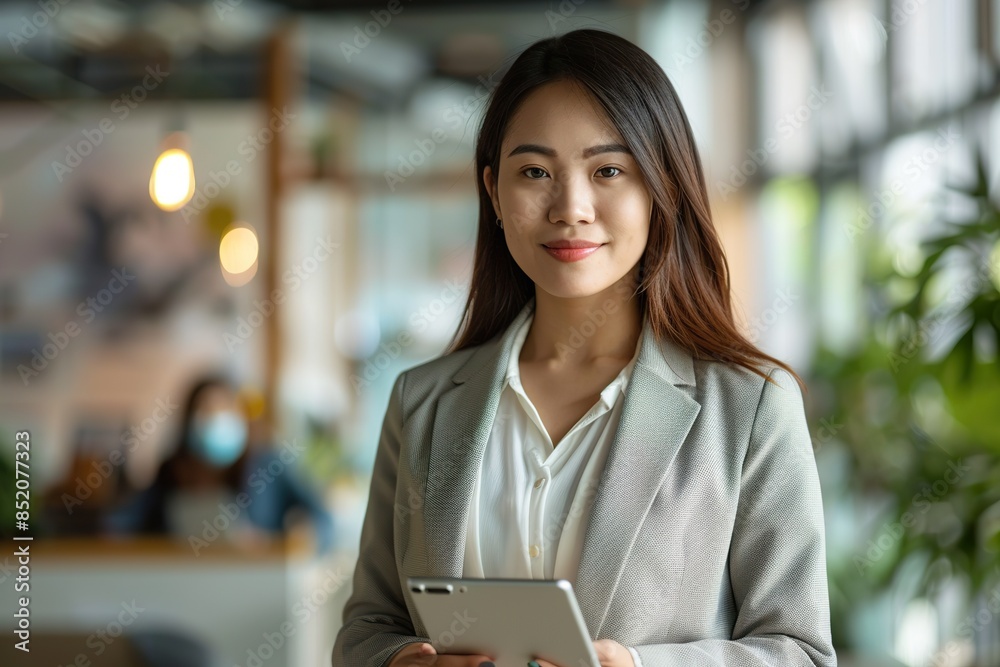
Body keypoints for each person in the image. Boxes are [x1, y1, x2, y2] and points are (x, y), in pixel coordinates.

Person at [332, 28, 835, 667]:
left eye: (608, 171)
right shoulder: (423, 401)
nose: (571, 207)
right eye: (535, 172)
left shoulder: (750, 407)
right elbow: (367, 629)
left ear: (661, 186)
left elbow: (801, 653)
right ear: (493, 190)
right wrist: (404, 661)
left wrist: (638, 666)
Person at [108, 374, 335, 555]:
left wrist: (302, 538)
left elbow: (324, 520)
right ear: (190, 423)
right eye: (206, 411)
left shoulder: (268, 465)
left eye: (225, 409)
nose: (216, 418)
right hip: (185, 586)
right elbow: (124, 524)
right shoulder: (173, 470)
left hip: (257, 585)